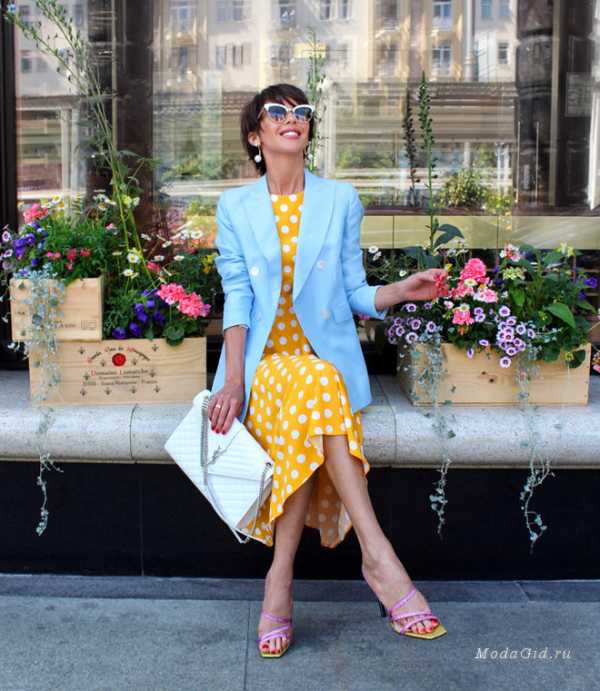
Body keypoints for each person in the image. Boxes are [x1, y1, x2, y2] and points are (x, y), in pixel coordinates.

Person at [207, 83, 448, 658]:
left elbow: (354, 291)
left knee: (314, 393)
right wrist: (234, 379)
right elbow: (237, 298)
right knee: (315, 389)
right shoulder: (235, 207)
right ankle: (379, 557)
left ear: (308, 129)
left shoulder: (339, 199)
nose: (291, 118)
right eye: (277, 112)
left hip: (321, 371)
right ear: (255, 135)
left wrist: (400, 291)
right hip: (263, 368)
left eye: (301, 111)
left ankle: (280, 580)